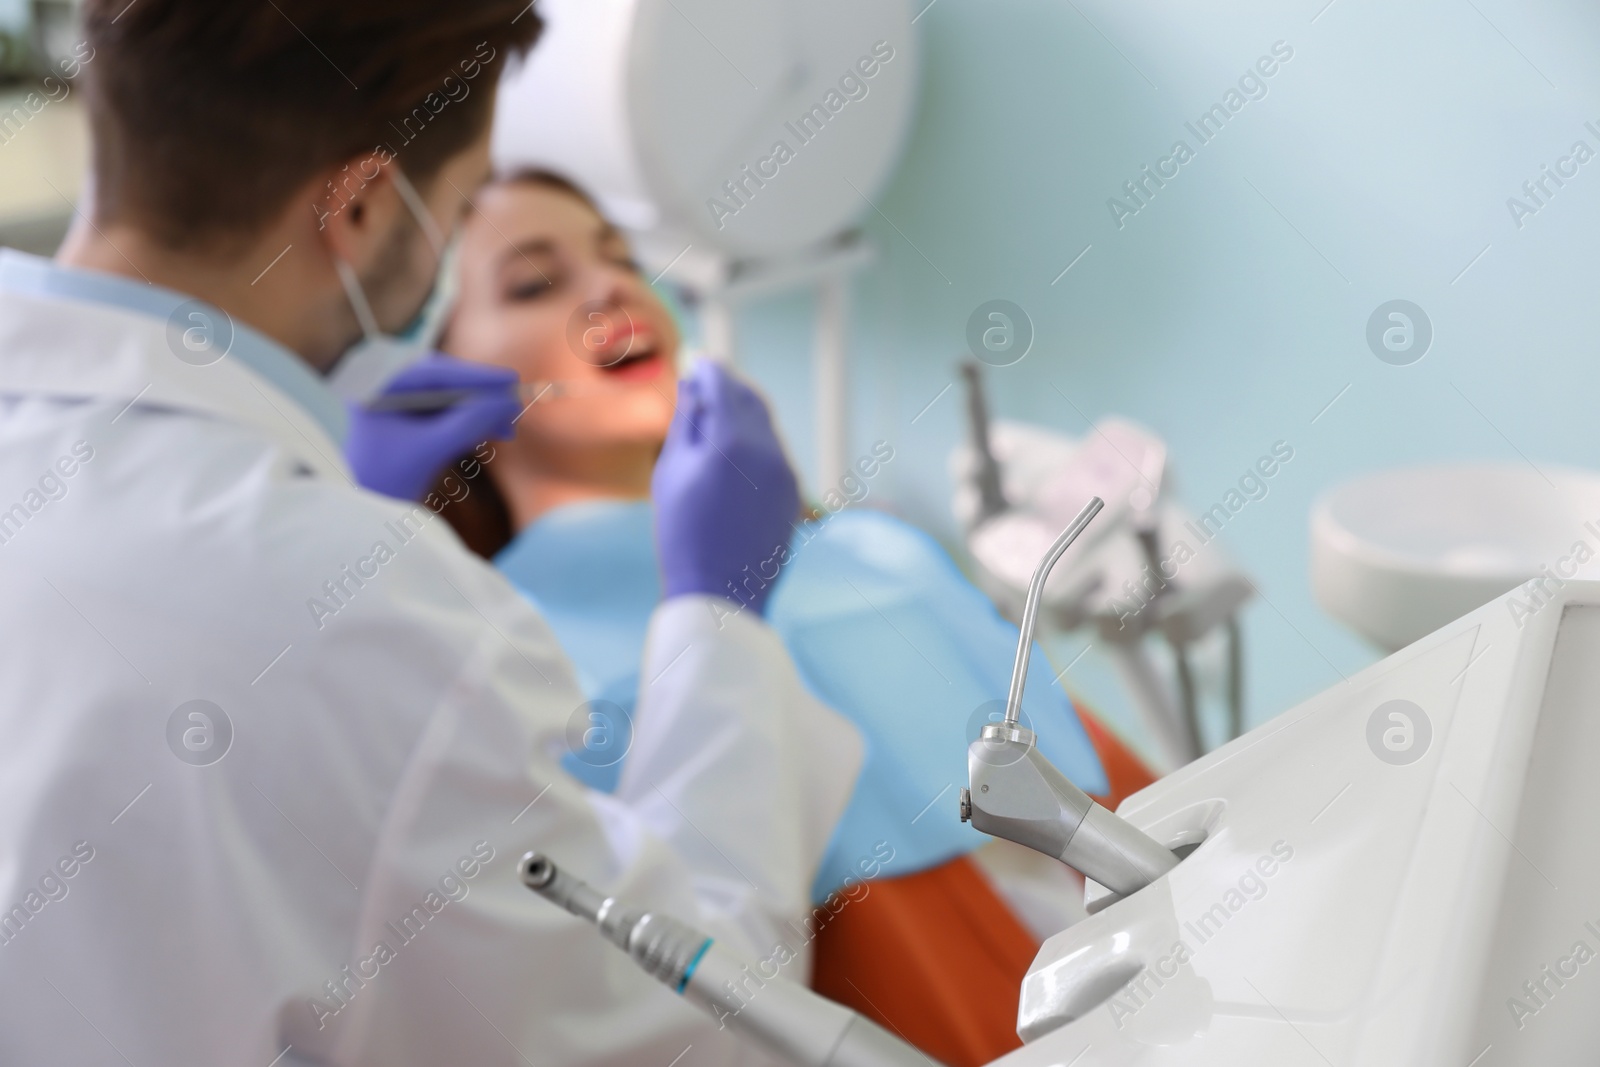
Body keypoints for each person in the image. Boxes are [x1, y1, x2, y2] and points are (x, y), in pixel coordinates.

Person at [0, 5, 866, 1066]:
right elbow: (707, 1023)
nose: (603, 294)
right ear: (361, 209)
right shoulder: (387, 629)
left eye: (616, 254)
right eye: (478, 233)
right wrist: (718, 619)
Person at [410, 170, 1160, 1066]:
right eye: (535, 283)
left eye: (619, 255)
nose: (610, 287)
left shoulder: (875, 551)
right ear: (439, 388)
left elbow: (1131, 807)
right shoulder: (494, 648)